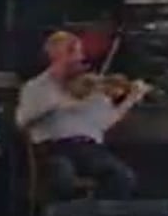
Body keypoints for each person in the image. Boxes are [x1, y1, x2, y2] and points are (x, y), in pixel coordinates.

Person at [15, 32, 146, 201]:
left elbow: (104, 122)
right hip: (54, 150)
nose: (81, 58)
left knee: (123, 175)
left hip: (90, 150)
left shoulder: (88, 86)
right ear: (57, 56)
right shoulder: (36, 87)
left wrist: (130, 99)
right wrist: (56, 105)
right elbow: (21, 120)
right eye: (75, 52)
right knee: (62, 174)